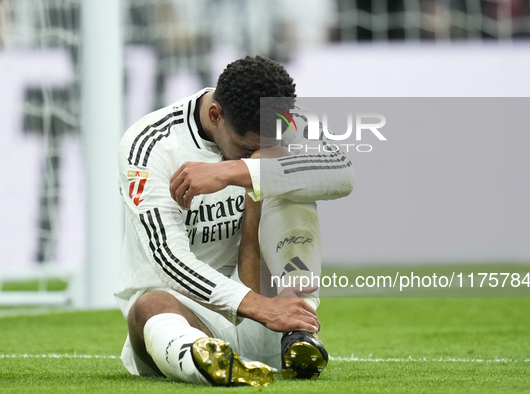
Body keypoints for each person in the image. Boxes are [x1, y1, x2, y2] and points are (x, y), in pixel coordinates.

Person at [115, 55, 355, 387]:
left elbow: (342, 173)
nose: (250, 153)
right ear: (216, 115)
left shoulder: (285, 119)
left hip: (273, 310)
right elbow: (168, 260)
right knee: (147, 304)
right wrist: (256, 307)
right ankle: (204, 357)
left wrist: (237, 169)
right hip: (186, 313)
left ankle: (299, 332)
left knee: (288, 172)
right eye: (244, 147)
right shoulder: (150, 144)